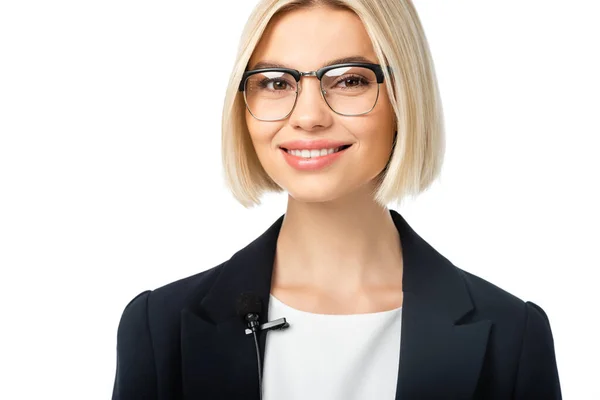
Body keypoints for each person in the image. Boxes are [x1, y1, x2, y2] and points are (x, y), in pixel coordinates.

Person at [111, 0, 562, 399]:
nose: (308, 117)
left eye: (349, 80)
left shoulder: (512, 336)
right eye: (275, 82)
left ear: (406, 99)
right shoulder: (160, 327)